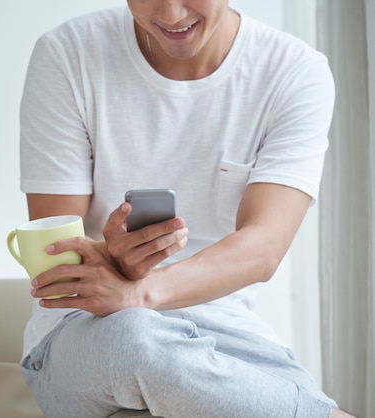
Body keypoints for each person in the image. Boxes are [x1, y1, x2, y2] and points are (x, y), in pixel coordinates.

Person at [18, 1, 352, 417]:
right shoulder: (69, 55)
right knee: (134, 338)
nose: (172, 14)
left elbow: (264, 247)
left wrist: (141, 290)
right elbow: (59, 256)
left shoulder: (294, 71)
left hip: (226, 330)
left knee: (286, 390)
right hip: (86, 328)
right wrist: (116, 262)